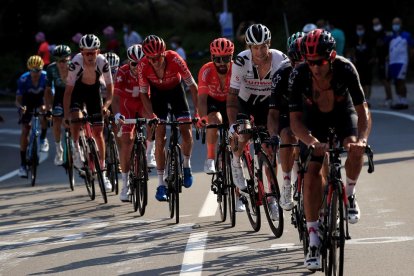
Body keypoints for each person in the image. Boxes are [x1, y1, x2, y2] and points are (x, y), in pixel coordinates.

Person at [288, 29, 371, 270]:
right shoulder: (299, 74)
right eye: (310, 62)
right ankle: (314, 238)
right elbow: (295, 121)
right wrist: (311, 141)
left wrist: (362, 140)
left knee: (355, 148)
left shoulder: (345, 69)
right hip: (314, 120)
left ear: (331, 56)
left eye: (321, 62)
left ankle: (351, 193)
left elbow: (363, 109)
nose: (315, 67)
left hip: (343, 115)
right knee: (313, 169)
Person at [226, 23, 288, 218]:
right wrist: (232, 125)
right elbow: (232, 96)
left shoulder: (280, 60)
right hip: (246, 102)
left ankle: (272, 197)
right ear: (248, 46)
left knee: (270, 148)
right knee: (243, 135)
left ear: (269, 44)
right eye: (255, 47)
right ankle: (236, 161)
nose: (260, 51)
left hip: (269, 103)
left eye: (263, 46)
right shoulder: (240, 61)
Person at [138, 35, 199, 201]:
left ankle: (186, 165)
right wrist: (152, 116)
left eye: (158, 57)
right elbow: (143, 94)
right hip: (157, 95)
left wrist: (198, 113)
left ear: (164, 53)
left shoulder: (175, 58)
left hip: (176, 92)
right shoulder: (143, 65)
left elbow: (193, 86)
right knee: (160, 136)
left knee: (186, 131)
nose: (155, 61)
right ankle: (160, 183)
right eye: (151, 58)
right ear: (146, 57)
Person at [197, 38, 245, 212]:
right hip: (214, 103)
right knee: (214, 120)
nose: (221, 63)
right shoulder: (206, 70)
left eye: (226, 58)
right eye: (217, 58)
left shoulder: (238, 69)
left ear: (231, 57)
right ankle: (210, 158)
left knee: (236, 153)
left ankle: (238, 196)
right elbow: (201, 98)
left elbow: (246, 95)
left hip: (233, 103)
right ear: (212, 57)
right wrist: (203, 117)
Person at [63, 34, 113, 192]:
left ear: (98, 51)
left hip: (93, 92)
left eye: (93, 52)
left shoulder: (103, 62)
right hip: (77, 91)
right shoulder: (75, 63)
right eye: (87, 53)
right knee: (76, 118)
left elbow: (111, 90)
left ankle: (103, 174)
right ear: (81, 52)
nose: (90, 56)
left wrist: (106, 106)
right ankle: (76, 148)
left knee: (98, 133)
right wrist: (66, 116)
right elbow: (68, 93)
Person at [111, 44, 156, 202]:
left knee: (153, 120)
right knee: (127, 141)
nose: (137, 67)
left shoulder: (149, 70)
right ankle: (125, 185)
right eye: (133, 64)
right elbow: (115, 98)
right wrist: (116, 114)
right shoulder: (122, 71)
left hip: (143, 104)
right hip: (127, 106)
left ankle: (149, 151)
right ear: (128, 62)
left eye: (141, 62)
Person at [267, 32, 304, 211]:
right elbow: (273, 113)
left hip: (308, 110)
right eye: (294, 60)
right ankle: (287, 184)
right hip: (286, 110)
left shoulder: (316, 70)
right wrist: (273, 136)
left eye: (302, 59)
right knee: (288, 137)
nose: (298, 64)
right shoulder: (281, 73)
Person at [16, 55, 50, 178]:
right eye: (33, 70)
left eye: (38, 70)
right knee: (26, 129)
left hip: (41, 99)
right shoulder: (23, 79)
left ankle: (43, 138)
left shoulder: (46, 77)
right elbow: (18, 100)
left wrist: (47, 106)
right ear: (29, 70)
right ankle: (23, 165)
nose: (36, 73)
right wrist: (21, 107)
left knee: (44, 113)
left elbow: (49, 95)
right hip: (27, 102)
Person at [45, 45, 72, 166]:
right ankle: (58, 149)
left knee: (78, 119)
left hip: (73, 93)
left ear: (69, 58)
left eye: (64, 61)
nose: (61, 64)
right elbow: (48, 90)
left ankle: (80, 146)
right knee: (56, 120)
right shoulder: (51, 69)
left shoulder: (74, 67)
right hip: (60, 94)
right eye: (58, 61)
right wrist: (48, 107)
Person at [388, 17, 414, 110]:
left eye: (397, 23)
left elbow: (411, 48)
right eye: (394, 23)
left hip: (402, 61)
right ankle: (399, 100)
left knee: (401, 81)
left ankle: (404, 101)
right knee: (396, 82)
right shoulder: (390, 36)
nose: (395, 25)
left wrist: (410, 59)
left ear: (401, 24)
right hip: (393, 62)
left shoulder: (406, 35)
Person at [350, 24, 374, 105]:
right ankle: (363, 99)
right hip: (358, 63)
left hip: (367, 63)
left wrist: (372, 59)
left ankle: (368, 99)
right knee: (361, 81)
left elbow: (373, 49)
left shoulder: (369, 38)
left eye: (361, 29)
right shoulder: (354, 39)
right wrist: (353, 58)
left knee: (368, 82)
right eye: (358, 29)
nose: (359, 30)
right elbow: (352, 49)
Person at [371, 17, 393, 107]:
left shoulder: (386, 34)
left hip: (385, 60)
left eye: (377, 23)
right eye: (374, 24)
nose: (376, 26)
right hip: (380, 60)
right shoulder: (375, 35)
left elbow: (390, 46)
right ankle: (388, 98)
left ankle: (389, 99)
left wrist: (389, 55)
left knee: (385, 79)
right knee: (383, 79)